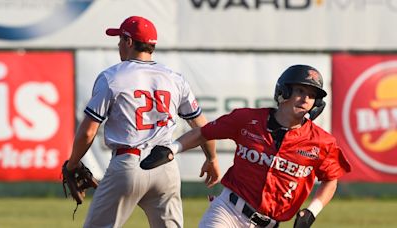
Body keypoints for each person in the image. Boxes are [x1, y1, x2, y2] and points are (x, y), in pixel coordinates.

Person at [141, 64, 351, 228]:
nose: (306, 99)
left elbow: (331, 180)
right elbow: (204, 132)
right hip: (228, 212)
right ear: (284, 91)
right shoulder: (247, 119)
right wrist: (172, 149)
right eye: (300, 90)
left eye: (312, 95)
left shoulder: (322, 142)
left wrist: (313, 211)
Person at [64, 16, 219, 228]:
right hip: (166, 166)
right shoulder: (174, 78)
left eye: (120, 39)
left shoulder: (112, 77)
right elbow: (203, 127)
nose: (118, 44)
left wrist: (73, 164)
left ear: (129, 42)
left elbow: (87, 133)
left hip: (129, 164)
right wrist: (212, 158)